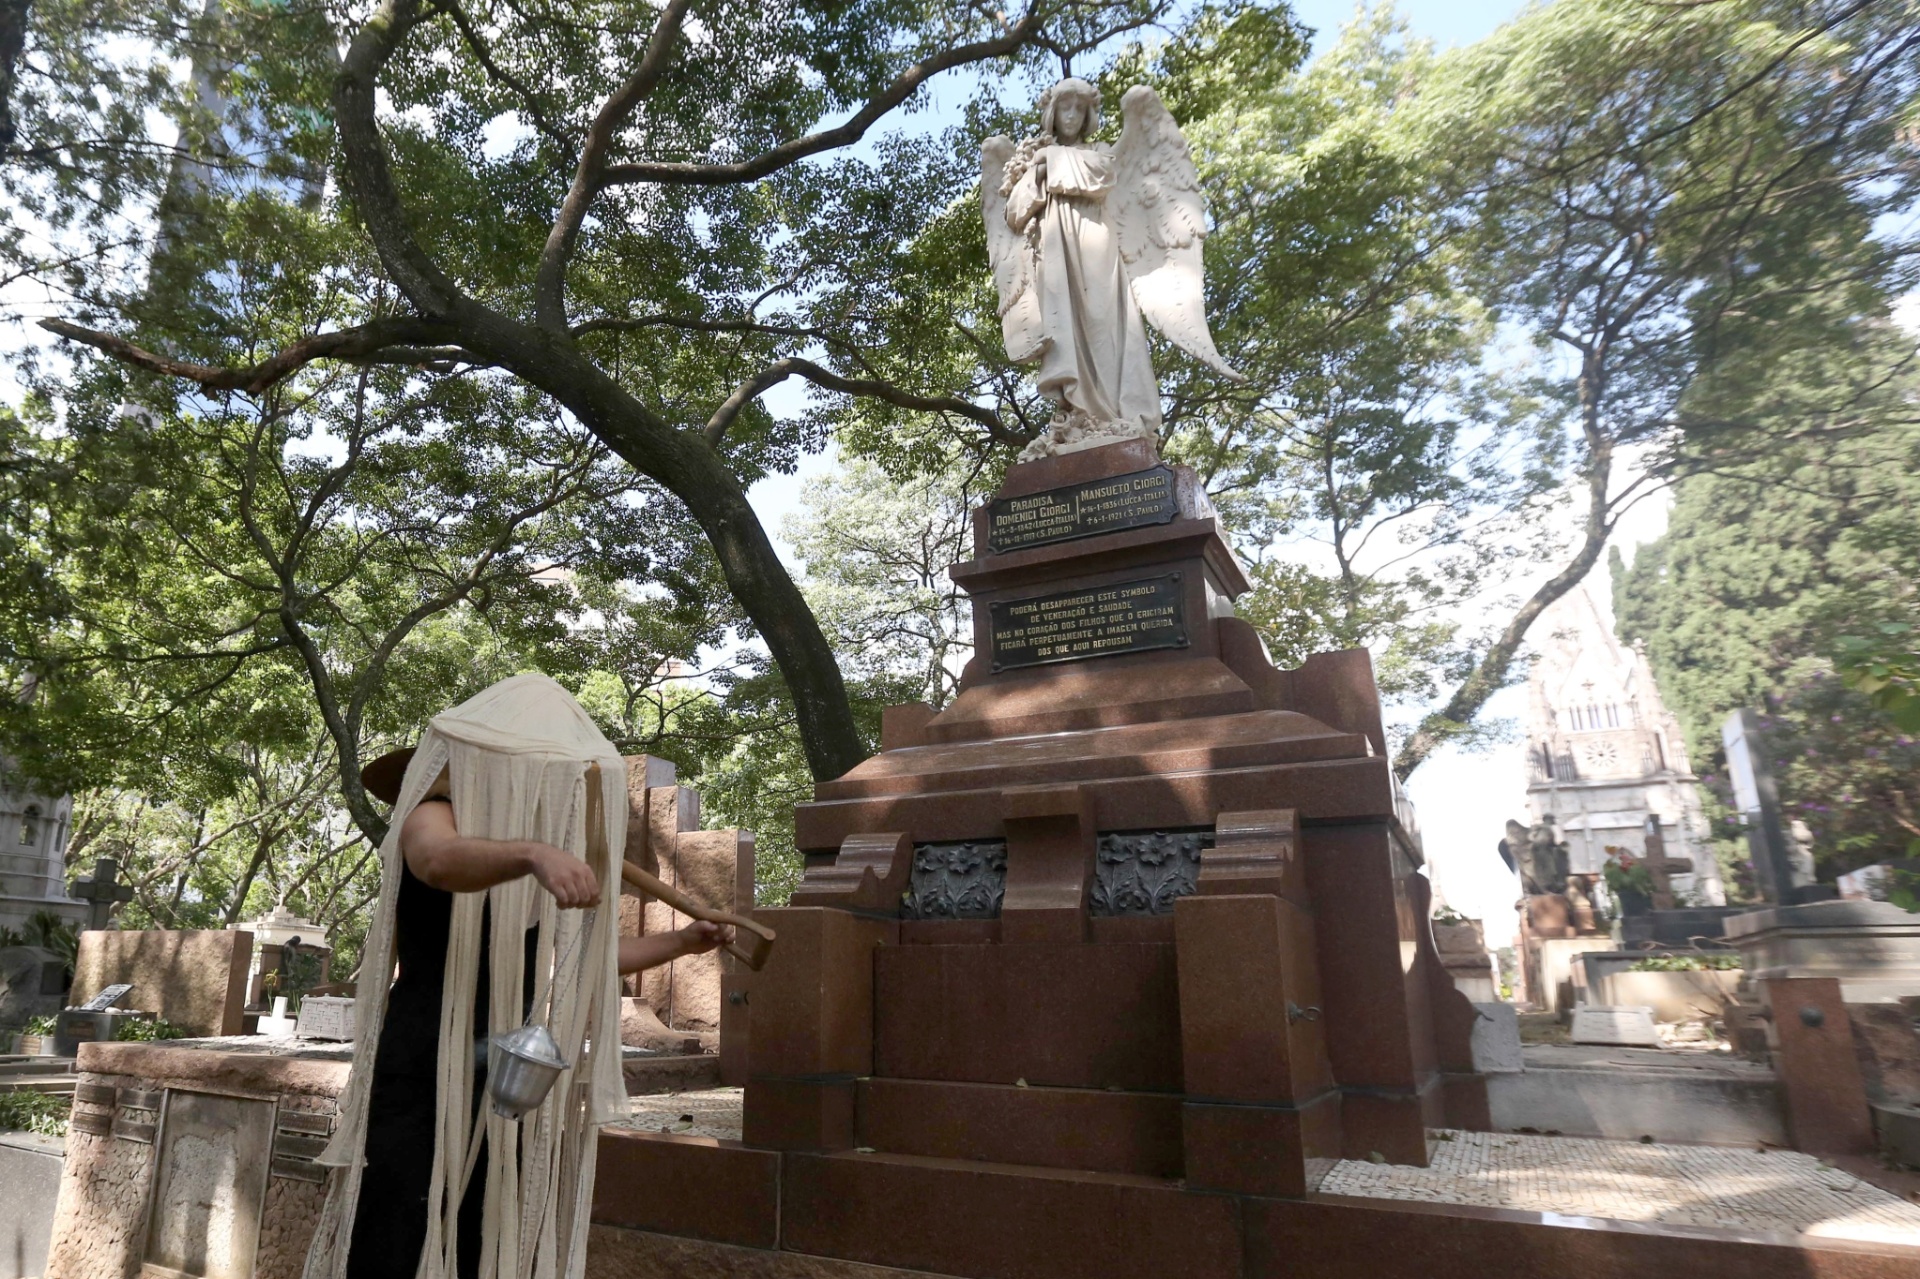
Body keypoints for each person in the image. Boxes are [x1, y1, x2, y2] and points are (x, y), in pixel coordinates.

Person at [344, 748, 730, 1279]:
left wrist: (684, 941)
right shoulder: (433, 814)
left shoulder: (525, 854)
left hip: (501, 1067)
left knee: (483, 1221)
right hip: (423, 1057)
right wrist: (534, 853)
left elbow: (589, 956)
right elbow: (438, 860)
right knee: (400, 1217)